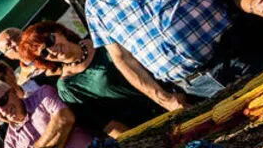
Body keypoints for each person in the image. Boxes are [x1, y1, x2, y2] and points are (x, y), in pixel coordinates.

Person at [84, 0, 263, 103]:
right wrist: (165, 100)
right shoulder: (95, 6)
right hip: (196, 88)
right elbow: (122, 58)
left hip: (241, 54)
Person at [17, 21, 162, 137]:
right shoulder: (68, 86)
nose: (52, 50)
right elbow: (108, 125)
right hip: (150, 124)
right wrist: (143, 140)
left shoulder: (99, 38)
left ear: (58, 31)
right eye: (43, 53)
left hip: (172, 90)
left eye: (50, 41)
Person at [0, 80, 95, 148]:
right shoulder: (10, 145)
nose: (3, 110)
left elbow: (65, 118)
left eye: (3, 101)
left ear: (13, 92)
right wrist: (59, 136)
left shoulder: (43, 95)